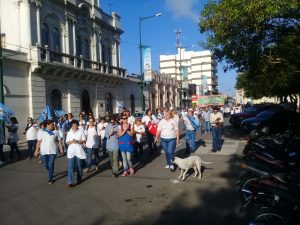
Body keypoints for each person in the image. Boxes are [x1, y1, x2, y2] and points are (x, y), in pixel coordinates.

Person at [34, 120, 63, 184]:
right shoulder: (41, 132)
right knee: (46, 165)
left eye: (53, 125)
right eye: (52, 125)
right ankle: (51, 171)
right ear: (47, 125)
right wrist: (36, 151)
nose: (53, 126)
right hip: (44, 151)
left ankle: (50, 179)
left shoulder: (55, 132)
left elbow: (58, 140)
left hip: (53, 151)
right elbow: (38, 142)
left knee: (50, 164)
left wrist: (61, 149)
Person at [65, 120, 86, 187]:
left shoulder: (80, 131)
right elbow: (67, 142)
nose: (74, 127)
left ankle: (79, 179)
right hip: (71, 151)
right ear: (71, 126)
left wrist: (78, 141)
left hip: (78, 151)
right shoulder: (69, 133)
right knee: (70, 167)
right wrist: (72, 141)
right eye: (73, 125)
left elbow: (84, 140)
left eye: (76, 125)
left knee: (79, 166)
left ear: (77, 125)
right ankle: (70, 182)